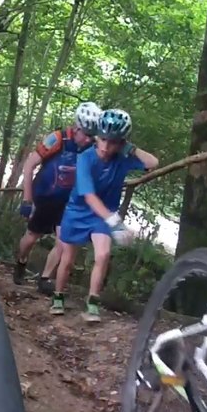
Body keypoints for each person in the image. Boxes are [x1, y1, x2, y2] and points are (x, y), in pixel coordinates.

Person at [51, 109, 158, 321]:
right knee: (68, 258)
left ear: (120, 143)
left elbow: (152, 163)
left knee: (103, 255)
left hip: (102, 215)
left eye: (113, 142)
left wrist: (131, 148)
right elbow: (89, 196)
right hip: (78, 211)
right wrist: (114, 222)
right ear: (96, 136)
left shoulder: (122, 158)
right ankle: (58, 296)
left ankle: (92, 304)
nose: (105, 146)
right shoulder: (85, 158)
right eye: (102, 139)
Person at [12, 102, 102, 294]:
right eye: (85, 134)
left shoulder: (90, 149)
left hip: (67, 203)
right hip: (43, 197)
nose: (88, 139)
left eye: (91, 136)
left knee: (63, 242)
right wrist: (28, 199)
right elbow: (29, 165)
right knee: (31, 237)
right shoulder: (57, 139)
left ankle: (45, 278)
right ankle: (21, 261)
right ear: (76, 128)